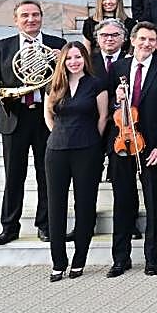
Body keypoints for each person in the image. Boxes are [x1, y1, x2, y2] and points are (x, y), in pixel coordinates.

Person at [0, 0, 65, 245]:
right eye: (25, 15)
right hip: (14, 117)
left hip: (46, 117)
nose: (31, 19)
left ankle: (45, 225)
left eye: (35, 15)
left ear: (42, 17)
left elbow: (69, 77)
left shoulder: (57, 45)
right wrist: (8, 95)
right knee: (14, 175)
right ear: (16, 19)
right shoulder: (3, 46)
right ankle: (9, 227)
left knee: (46, 174)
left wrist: (61, 60)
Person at [106, 21, 157, 276]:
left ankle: (151, 258)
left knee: (153, 203)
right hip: (122, 145)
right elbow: (108, 111)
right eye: (143, 39)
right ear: (133, 40)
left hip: (151, 148)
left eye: (152, 40)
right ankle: (120, 258)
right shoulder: (117, 68)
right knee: (122, 203)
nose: (147, 44)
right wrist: (118, 100)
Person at [42, 43, 108, 281]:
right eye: (69, 58)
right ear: (63, 61)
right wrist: (57, 134)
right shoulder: (55, 84)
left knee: (85, 205)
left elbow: (103, 117)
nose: (73, 61)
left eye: (78, 56)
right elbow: (48, 114)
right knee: (56, 207)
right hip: (56, 151)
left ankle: (79, 260)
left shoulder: (96, 84)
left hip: (87, 151)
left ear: (84, 59)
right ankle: (58, 263)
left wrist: (90, 140)